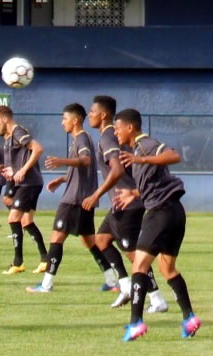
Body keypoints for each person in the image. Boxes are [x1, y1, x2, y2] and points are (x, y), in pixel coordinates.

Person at [112, 108, 200, 341]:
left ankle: (135, 323)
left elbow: (173, 155)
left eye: (118, 128)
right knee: (167, 268)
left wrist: (141, 158)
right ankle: (189, 317)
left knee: (139, 266)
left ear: (130, 127)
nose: (116, 133)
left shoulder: (144, 144)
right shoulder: (136, 151)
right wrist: (133, 193)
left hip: (160, 213)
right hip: (174, 212)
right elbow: (155, 184)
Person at [83, 96, 168, 310]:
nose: (89, 115)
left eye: (92, 111)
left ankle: (157, 298)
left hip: (128, 204)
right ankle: (126, 286)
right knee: (101, 240)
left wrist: (96, 195)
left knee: (134, 255)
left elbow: (117, 170)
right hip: (119, 203)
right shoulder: (109, 135)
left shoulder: (108, 137)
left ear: (103, 115)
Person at [27, 103, 116, 293]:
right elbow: (86, 170)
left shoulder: (82, 138)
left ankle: (46, 285)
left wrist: (61, 162)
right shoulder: (82, 139)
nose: (62, 123)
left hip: (74, 200)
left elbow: (86, 161)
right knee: (89, 241)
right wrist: (63, 178)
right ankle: (112, 281)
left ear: (75, 120)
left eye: (64, 119)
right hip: (83, 199)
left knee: (56, 238)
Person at [0, 106, 48, 275]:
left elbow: (38, 149)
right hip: (29, 183)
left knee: (12, 219)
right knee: (26, 222)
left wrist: (23, 171)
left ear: (4, 119)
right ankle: (45, 260)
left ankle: (18, 262)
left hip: (29, 183)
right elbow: (20, 162)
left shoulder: (17, 131)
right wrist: (11, 171)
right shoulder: (9, 137)